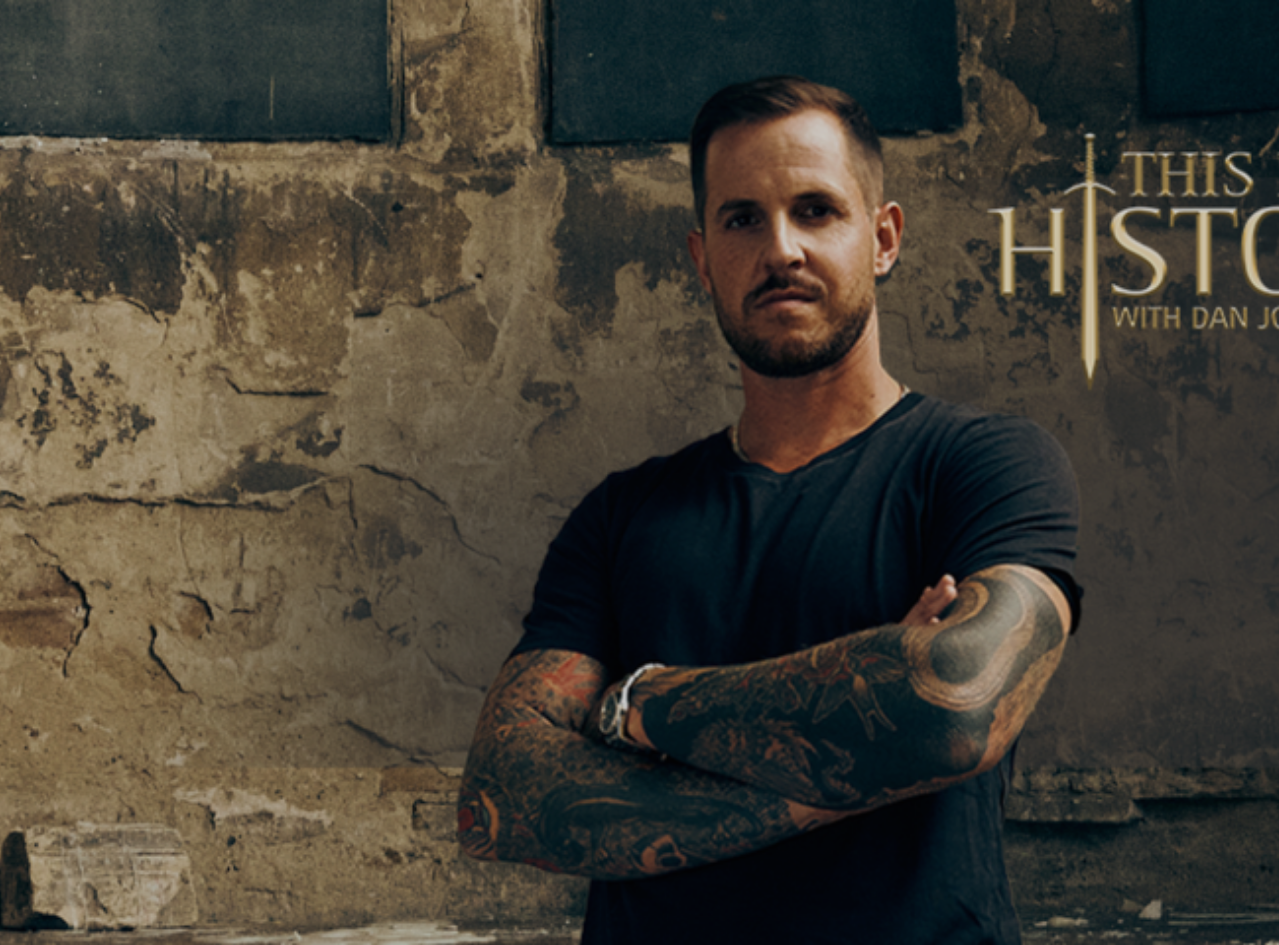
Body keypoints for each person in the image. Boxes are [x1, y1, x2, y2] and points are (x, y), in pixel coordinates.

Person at [457, 76, 1081, 944]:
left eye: (816, 210)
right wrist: (860, 745)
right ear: (702, 257)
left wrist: (630, 705)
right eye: (742, 219)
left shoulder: (984, 464)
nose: (780, 247)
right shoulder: (623, 513)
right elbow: (503, 797)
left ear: (884, 238)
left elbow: (952, 700)